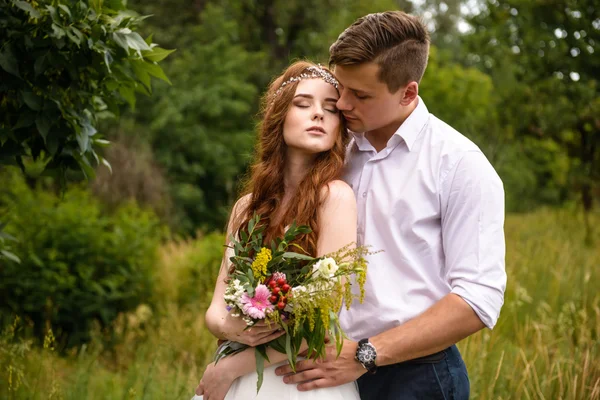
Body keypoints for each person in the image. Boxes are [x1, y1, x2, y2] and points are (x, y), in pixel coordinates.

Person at [272, 11, 507, 399]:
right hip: (321, 371)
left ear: (408, 93)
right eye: (340, 88)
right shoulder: (330, 150)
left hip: (415, 379)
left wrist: (366, 353)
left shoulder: (460, 164)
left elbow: (477, 298)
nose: (342, 104)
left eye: (360, 95)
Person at [193, 61, 361, 400]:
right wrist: (230, 327)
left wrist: (230, 369)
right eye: (303, 104)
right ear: (278, 116)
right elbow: (215, 307)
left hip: (295, 379)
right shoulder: (246, 207)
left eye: (331, 109)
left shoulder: (335, 197)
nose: (319, 114)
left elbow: (322, 318)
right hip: (237, 372)